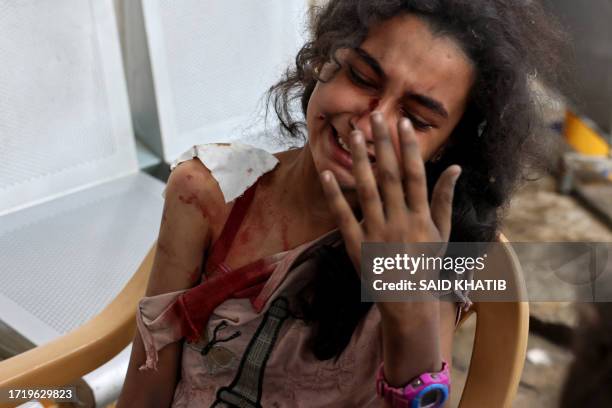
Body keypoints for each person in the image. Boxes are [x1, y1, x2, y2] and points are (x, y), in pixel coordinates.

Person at [118, 0, 563, 406]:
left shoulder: (432, 254)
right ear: (322, 60)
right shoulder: (209, 193)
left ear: (446, 147)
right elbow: (148, 378)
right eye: (362, 77)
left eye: (415, 118)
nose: (370, 124)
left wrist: (408, 307)